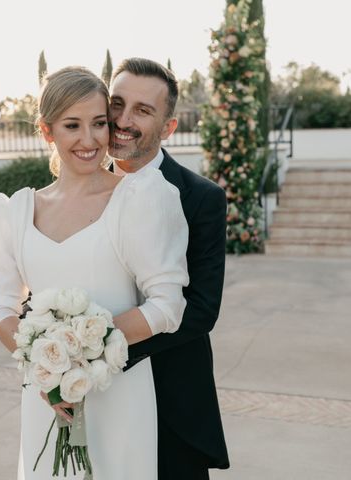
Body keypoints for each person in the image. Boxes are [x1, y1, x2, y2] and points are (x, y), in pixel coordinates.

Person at [0, 66, 189, 479]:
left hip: (119, 392)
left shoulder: (139, 200)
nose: (89, 140)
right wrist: (45, 370)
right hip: (45, 395)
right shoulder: (15, 211)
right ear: (47, 131)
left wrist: (82, 358)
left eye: (99, 124)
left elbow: (168, 304)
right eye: (72, 125)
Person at [109, 58, 230, 479]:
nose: (123, 120)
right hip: (94, 398)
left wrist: (99, 349)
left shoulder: (201, 198)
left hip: (171, 398)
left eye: (142, 110)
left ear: (168, 127)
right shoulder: (75, 191)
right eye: (117, 103)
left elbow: (201, 310)